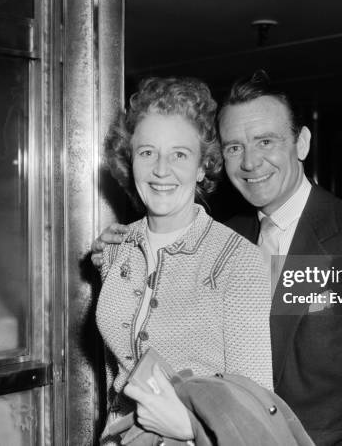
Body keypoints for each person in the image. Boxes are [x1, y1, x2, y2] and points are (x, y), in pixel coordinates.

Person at [93, 71, 342, 445]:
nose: (250, 162)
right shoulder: (228, 236)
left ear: (301, 143)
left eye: (265, 141)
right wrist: (113, 254)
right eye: (235, 147)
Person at [96, 77, 273, 444]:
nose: (161, 169)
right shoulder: (115, 250)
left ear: (203, 166)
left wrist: (189, 428)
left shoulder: (237, 262)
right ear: (130, 160)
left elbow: (256, 417)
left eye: (179, 154)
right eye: (147, 152)